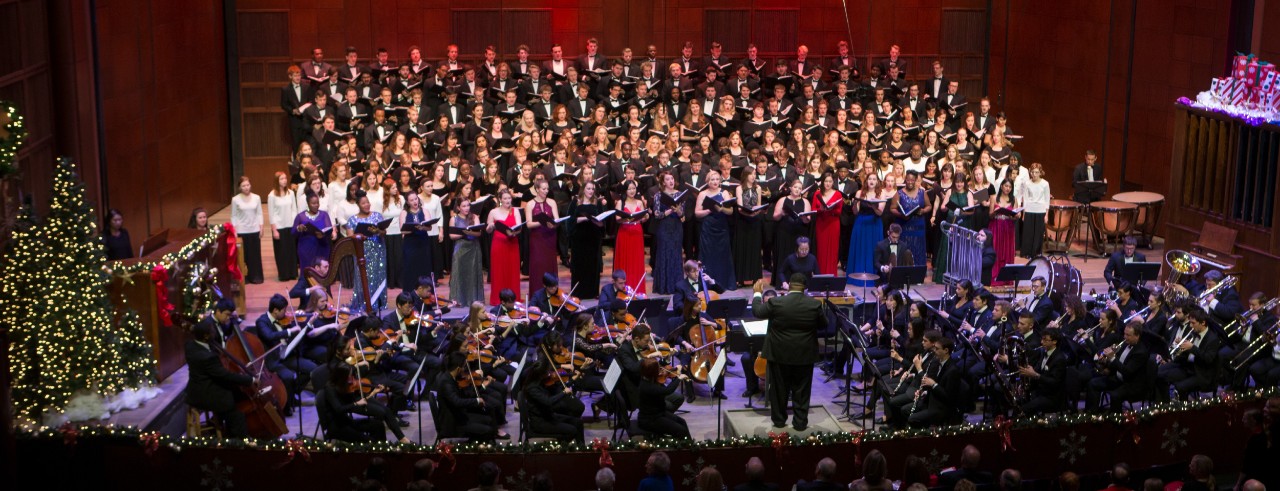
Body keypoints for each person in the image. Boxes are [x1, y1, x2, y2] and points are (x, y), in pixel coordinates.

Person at [751, 274, 825, 431]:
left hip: (779, 354)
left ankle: (779, 421)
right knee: (802, 391)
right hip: (804, 355)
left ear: (789, 285)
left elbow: (757, 311)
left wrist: (757, 293)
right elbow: (824, 324)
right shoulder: (814, 305)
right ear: (805, 288)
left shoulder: (776, 302)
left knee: (779, 390)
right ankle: (800, 423)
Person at [185, 302, 255, 438]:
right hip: (204, 393)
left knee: (233, 393)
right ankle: (238, 441)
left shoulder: (190, 345)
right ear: (206, 337)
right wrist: (250, 379)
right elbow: (225, 375)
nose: (215, 334)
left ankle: (224, 425)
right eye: (212, 332)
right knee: (235, 411)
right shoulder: (208, 357)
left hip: (195, 387)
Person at [344, 190, 388, 311]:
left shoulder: (377, 216)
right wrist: (360, 235)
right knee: (363, 277)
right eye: (363, 203)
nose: (367, 205)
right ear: (358, 205)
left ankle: (378, 303)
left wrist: (378, 231)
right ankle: (363, 303)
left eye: (368, 202)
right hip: (361, 251)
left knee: (378, 276)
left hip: (378, 250)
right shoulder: (352, 219)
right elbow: (350, 237)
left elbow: (384, 232)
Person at [695, 169, 736, 288]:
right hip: (708, 227)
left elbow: (730, 211)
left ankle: (723, 282)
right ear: (708, 181)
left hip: (721, 228)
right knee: (707, 254)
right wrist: (709, 210)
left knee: (722, 255)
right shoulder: (702, 194)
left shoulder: (724, 193)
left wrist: (721, 209)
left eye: (717, 179)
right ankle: (706, 283)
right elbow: (697, 213)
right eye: (712, 179)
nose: (715, 181)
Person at [847, 174, 888, 287]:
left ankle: (873, 276)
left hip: (874, 224)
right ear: (866, 181)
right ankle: (858, 275)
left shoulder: (881, 193)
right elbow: (855, 212)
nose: (872, 181)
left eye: (874, 179)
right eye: (870, 179)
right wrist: (855, 203)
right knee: (860, 248)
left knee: (873, 249)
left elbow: (880, 213)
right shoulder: (860, 193)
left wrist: (873, 206)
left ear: (877, 181)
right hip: (861, 222)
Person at [570, 180, 608, 299]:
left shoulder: (597, 202)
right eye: (588, 188)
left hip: (593, 238)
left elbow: (602, 220)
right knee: (579, 265)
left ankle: (592, 292)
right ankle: (578, 292)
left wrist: (599, 223)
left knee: (593, 265)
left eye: (592, 189)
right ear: (583, 189)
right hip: (579, 238)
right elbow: (570, 219)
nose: (591, 191)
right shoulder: (576, 201)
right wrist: (583, 219)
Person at [637, 358, 692, 438]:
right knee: (680, 430)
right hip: (650, 419)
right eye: (658, 369)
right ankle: (684, 444)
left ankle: (689, 444)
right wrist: (678, 378)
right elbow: (667, 391)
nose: (660, 370)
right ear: (652, 372)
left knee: (682, 422)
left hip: (659, 413)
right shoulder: (647, 387)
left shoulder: (647, 378)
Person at [773, 179, 813, 287]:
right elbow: (775, 217)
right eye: (795, 187)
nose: (797, 190)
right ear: (791, 188)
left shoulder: (805, 201)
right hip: (784, 232)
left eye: (800, 188)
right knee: (784, 256)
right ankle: (782, 282)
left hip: (799, 233)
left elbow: (808, 220)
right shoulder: (783, 200)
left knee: (798, 256)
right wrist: (782, 213)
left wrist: (805, 218)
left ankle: (798, 282)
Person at [651, 171, 687, 294]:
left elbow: (683, 215)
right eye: (667, 179)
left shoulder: (679, 194)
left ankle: (676, 286)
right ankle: (664, 286)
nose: (671, 181)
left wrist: (678, 211)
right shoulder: (658, 195)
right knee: (664, 254)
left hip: (676, 228)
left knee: (676, 255)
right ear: (663, 182)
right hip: (664, 228)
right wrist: (666, 213)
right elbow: (656, 214)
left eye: (672, 178)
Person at [888, 171, 931, 270]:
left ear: (915, 180)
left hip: (918, 227)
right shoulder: (899, 193)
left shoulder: (922, 192)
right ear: (905, 180)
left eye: (912, 180)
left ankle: (918, 273)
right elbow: (892, 208)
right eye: (908, 180)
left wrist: (923, 211)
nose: (910, 182)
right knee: (905, 250)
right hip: (905, 226)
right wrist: (901, 214)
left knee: (918, 249)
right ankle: (903, 272)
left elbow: (929, 206)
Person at [447, 196, 485, 306]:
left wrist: (470, 233)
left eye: (468, 205)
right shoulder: (453, 219)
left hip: (473, 248)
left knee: (473, 274)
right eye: (464, 206)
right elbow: (452, 236)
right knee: (459, 274)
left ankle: (473, 299)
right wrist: (463, 233)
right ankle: (458, 300)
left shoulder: (474, 217)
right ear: (458, 208)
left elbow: (479, 233)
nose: (467, 208)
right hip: (460, 248)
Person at [487, 189, 523, 304]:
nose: (508, 200)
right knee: (499, 271)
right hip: (498, 244)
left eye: (509, 198)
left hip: (512, 244)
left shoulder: (515, 211)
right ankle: (498, 298)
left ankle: (513, 298)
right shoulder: (493, 212)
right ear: (500, 199)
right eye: (505, 198)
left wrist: (514, 233)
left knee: (512, 271)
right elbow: (488, 230)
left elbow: (519, 228)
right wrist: (491, 226)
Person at [614, 179, 649, 293]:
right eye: (629, 189)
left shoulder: (639, 202)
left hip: (637, 232)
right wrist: (626, 219)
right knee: (625, 260)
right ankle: (623, 290)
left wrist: (646, 217)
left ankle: (637, 289)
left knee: (636, 261)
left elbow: (643, 217)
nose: (632, 191)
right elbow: (617, 219)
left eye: (634, 188)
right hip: (624, 232)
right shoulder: (621, 202)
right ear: (625, 190)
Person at [293, 193, 335, 280]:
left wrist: (323, 235)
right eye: (313, 203)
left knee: (322, 273)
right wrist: (299, 228)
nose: (316, 205)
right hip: (306, 249)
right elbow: (293, 233)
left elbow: (329, 230)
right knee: (307, 273)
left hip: (322, 247)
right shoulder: (300, 216)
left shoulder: (324, 215)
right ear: (308, 204)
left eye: (317, 203)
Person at [268, 171, 300, 281]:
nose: (284, 181)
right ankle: (283, 274)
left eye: (285, 178)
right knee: (281, 252)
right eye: (281, 179)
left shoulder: (290, 193)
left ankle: (293, 273)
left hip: (290, 225)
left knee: (291, 250)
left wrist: (295, 224)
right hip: (279, 227)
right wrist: (274, 230)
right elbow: (271, 214)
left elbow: (294, 209)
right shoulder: (272, 195)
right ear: (277, 181)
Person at [812, 172, 844, 275]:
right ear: (822, 182)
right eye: (826, 181)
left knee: (832, 250)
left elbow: (839, 211)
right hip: (821, 223)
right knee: (821, 250)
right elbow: (813, 210)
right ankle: (820, 275)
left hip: (833, 223)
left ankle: (831, 275)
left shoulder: (838, 194)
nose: (828, 183)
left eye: (830, 181)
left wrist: (830, 209)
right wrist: (821, 210)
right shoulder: (817, 193)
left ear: (833, 182)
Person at [1018, 163, 1050, 258]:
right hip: (1029, 210)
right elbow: (1025, 199)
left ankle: (1036, 253)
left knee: (1038, 233)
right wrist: (1024, 213)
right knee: (1028, 233)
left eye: (1036, 172)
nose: (1034, 174)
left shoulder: (1045, 184)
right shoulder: (1027, 183)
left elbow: (1047, 199)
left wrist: (1046, 214)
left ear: (1040, 173)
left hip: (1040, 210)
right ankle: (1027, 252)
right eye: (1032, 172)